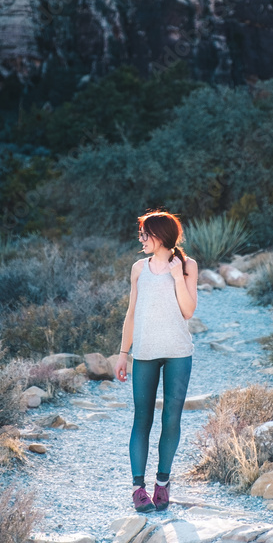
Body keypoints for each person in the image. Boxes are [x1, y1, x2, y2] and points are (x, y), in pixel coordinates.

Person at [114, 210, 198, 513]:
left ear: (160, 236)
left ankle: (162, 483)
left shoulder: (187, 266)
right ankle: (138, 489)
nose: (141, 239)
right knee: (142, 419)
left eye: (145, 234)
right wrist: (123, 353)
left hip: (178, 352)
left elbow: (188, 311)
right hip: (145, 353)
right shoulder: (139, 268)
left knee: (171, 419)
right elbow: (131, 314)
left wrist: (177, 278)